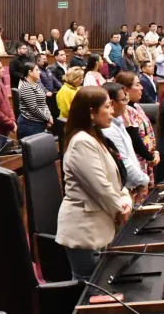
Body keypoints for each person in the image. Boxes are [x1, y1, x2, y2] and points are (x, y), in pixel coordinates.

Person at [56, 87, 132, 279]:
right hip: (85, 231)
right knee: (89, 289)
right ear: (91, 112)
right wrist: (120, 210)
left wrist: (125, 201)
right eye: (107, 106)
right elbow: (101, 187)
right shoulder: (81, 142)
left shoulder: (95, 137)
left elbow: (116, 179)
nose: (112, 111)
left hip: (99, 226)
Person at [103, 82, 150, 202]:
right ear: (112, 103)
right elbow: (124, 161)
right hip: (123, 190)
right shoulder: (108, 129)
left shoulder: (118, 120)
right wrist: (143, 180)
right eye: (124, 99)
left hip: (130, 187)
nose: (126, 103)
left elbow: (130, 154)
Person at [115, 72, 159, 189]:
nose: (141, 88)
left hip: (148, 159)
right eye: (137, 85)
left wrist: (155, 152)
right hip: (138, 163)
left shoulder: (136, 106)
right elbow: (135, 139)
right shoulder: (125, 111)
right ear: (126, 89)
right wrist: (150, 157)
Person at [17, 63, 53, 138]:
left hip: (39, 121)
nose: (39, 72)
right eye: (37, 70)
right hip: (30, 125)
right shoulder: (26, 87)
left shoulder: (36, 84)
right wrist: (47, 118)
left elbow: (43, 103)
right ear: (30, 72)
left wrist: (49, 116)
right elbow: (34, 108)